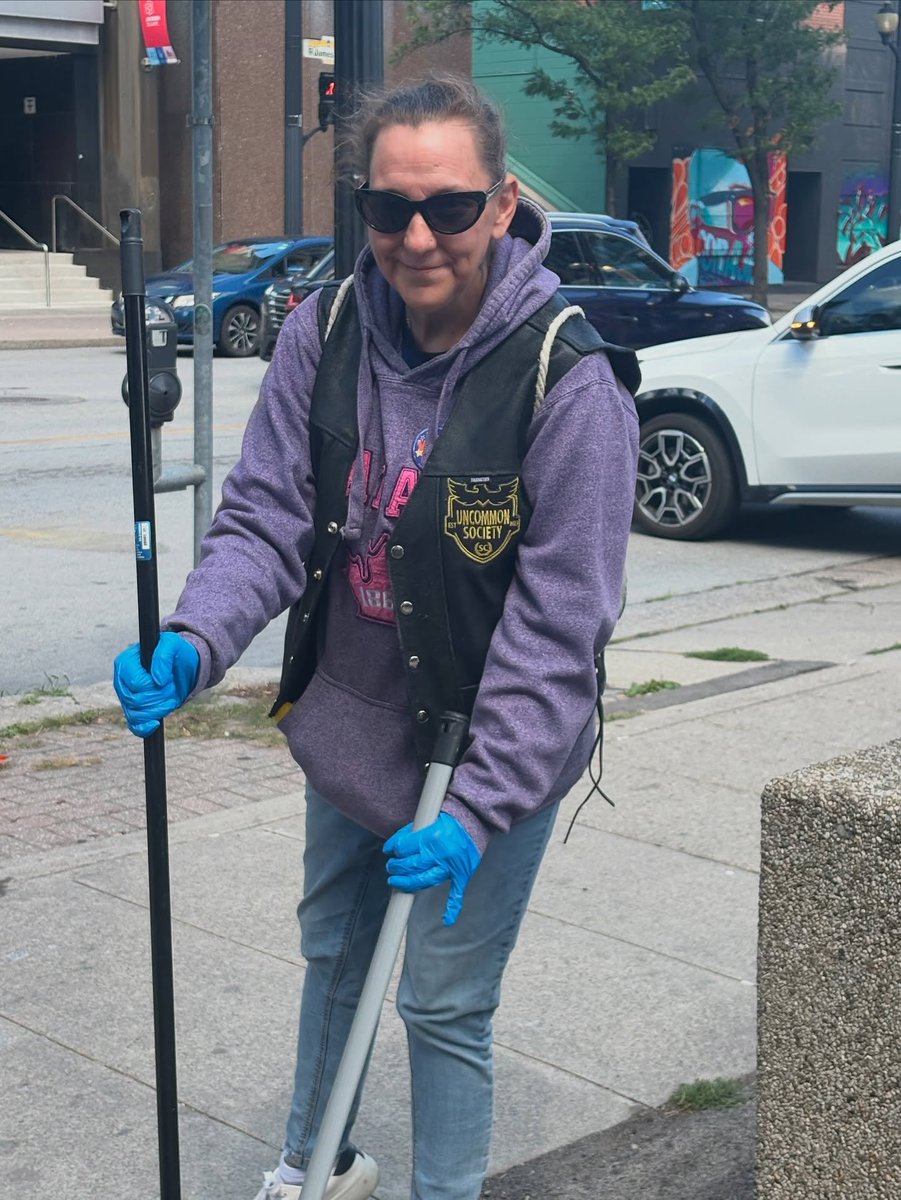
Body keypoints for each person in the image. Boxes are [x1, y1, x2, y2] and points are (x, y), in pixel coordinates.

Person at [113, 73, 639, 1200]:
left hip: (487, 745)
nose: (417, 236)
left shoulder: (569, 382)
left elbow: (558, 635)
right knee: (335, 959)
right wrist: (194, 640)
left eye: (449, 207)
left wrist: (478, 809)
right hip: (353, 723)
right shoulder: (327, 327)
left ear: (501, 206)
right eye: (388, 207)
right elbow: (264, 514)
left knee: (442, 1000)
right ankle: (316, 1162)